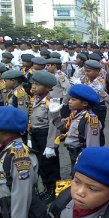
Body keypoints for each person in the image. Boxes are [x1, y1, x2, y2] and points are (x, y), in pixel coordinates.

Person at [0, 106, 47, 218]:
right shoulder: (6, 149)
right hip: (6, 208)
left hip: (21, 212)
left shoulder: (19, 156)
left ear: (4, 131)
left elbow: (22, 190)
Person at [52, 84, 101, 175]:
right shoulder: (75, 114)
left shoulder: (90, 119)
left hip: (81, 154)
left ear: (85, 103)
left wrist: (89, 164)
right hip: (73, 153)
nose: (69, 101)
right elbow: (61, 126)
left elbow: (92, 145)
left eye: (73, 100)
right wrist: (55, 113)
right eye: (70, 99)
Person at [28, 70, 60, 203]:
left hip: (46, 135)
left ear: (48, 88)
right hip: (35, 134)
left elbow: (54, 125)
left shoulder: (51, 102)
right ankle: (46, 188)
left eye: (37, 84)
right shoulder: (34, 99)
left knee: (49, 164)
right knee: (40, 163)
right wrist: (30, 138)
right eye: (33, 84)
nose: (33, 87)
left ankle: (53, 190)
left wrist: (51, 145)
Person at [84, 60, 109, 146]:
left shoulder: (99, 81)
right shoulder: (88, 79)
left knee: (98, 128)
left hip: (98, 107)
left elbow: (92, 92)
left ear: (97, 71)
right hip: (89, 106)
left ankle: (100, 147)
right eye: (86, 71)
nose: (86, 73)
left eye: (88, 71)